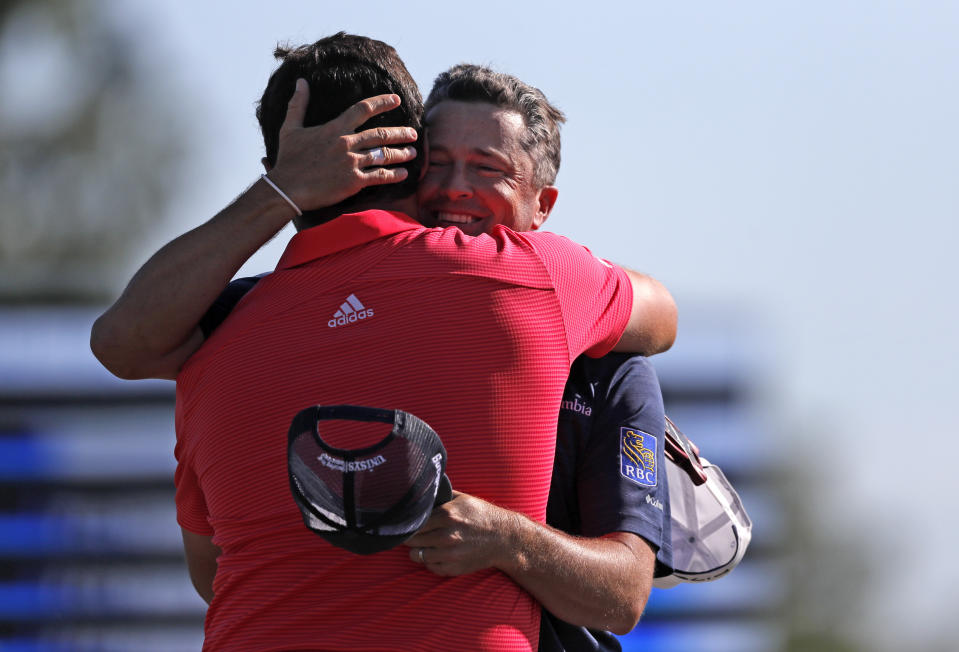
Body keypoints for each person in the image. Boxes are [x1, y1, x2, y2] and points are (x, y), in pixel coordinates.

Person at [92, 34, 677, 651]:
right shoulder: (535, 276)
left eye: (488, 168)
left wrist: (280, 191)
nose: (456, 188)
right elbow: (660, 313)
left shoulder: (207, 337)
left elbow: (213, 572)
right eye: (440, 162)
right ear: (409, 158)